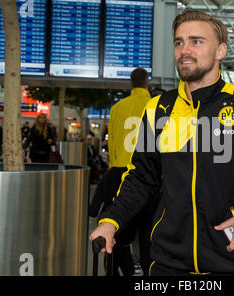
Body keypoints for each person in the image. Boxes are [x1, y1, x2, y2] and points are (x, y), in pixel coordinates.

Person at [89, 11, 234, 276]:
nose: (185, 50)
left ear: (221, 51)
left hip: (233, 261)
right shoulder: (159, 109)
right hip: (167, 265)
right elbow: (141, 177)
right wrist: (111, 220)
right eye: (179, 42)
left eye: (196, 41)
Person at [89, 68, 154, 276]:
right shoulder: (156, 105)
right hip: (149, 175)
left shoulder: (117, 108)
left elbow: (113, 144)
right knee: (148, 232)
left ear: (130, 83)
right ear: (147, 83)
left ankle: (114, 269)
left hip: (120, 174)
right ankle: (148, 272)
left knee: (120, 231)